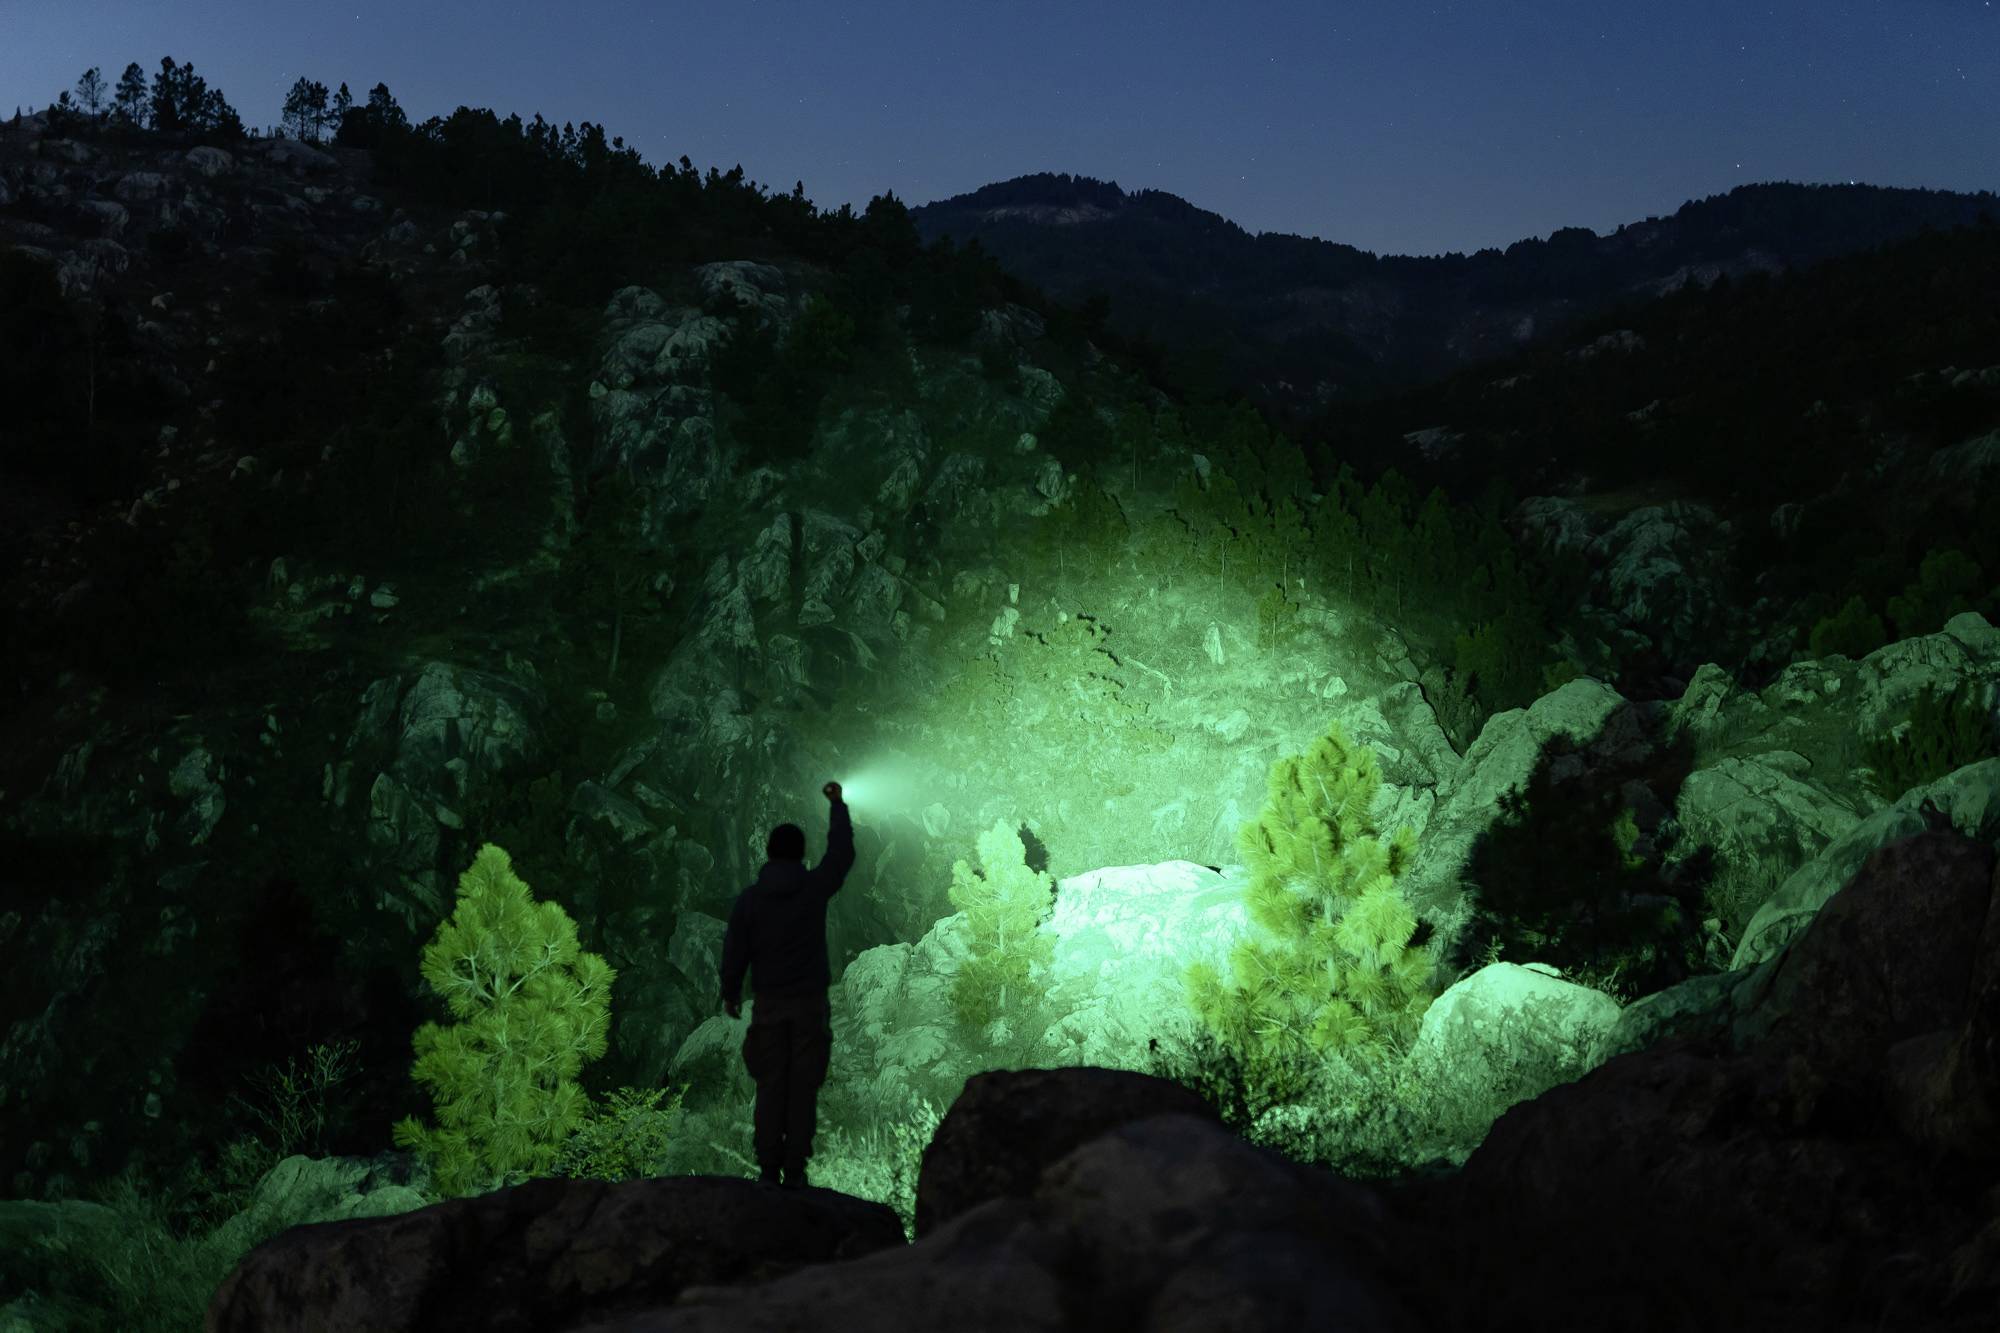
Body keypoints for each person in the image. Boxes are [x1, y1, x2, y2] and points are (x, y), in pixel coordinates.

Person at [719, 780, 854, 1188]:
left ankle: (766, 1169)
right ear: (801, 854)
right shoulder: (813, 889)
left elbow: (735, 949)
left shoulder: (751, 899)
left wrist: (730, 993)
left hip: (770, 1004)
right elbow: (842, 855)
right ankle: (795, 1169)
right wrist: (837, 807)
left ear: (768, 853)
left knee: (770, 1084)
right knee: (803, 1085)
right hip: (810, 1004)